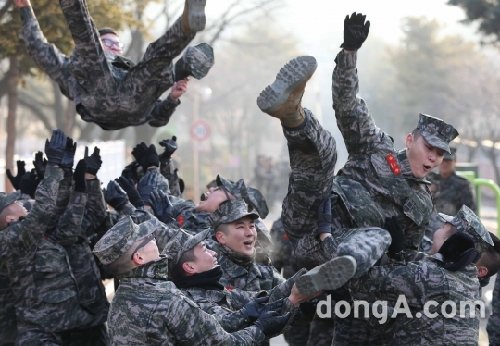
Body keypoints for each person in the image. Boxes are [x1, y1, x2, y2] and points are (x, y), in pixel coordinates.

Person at [14, 0, 214, 130]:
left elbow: (156, 120)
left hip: (132, 100)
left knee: (155, 60)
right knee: (87, 42)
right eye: (109, 43)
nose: (115, 48)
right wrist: (25, 9)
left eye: (118, 45)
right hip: (97, 96)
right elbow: (38, 48)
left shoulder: (131, 73)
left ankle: (187, 25)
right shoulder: (75, 67)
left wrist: (171, 99)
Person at [92, 215, 291, 345]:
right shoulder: (166, 299)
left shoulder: (121, 297)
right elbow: (222, 343)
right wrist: (260, 329)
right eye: (146, 240)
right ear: (139, 258)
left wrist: (243, 315)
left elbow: (196, 329)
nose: (153, 239)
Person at [0, 130, 109, 344]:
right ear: (9, 220)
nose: (22, 203)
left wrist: (67, 173)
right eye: (16, 203)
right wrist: (53, 166)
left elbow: (59, 214)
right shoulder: (10, 241)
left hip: (78, 323)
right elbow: (44, 210)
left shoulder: (33, 231)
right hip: (43, 333)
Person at [346, 209, 500, 345]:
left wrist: (325, 236)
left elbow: (363, 283)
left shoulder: (437, 277)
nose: (436, 232)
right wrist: (400, 254)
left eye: (443, 228)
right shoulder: (467, 280)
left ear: (451, 243)